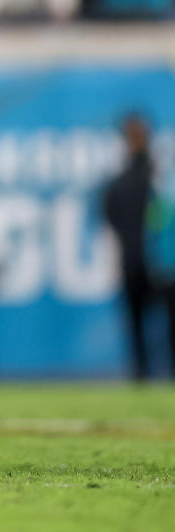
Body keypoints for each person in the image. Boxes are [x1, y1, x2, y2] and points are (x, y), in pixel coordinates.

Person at [104, 114, 166, 379]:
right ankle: (141, 373)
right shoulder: (126, 181)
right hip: (135, 260)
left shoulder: (158, 178)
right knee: (136, 323)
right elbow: (112, 217)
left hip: (163, 262)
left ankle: (148, 372)